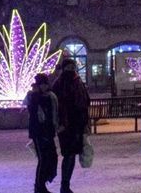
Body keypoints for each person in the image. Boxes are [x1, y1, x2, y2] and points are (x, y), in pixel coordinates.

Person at [50, 58, 89, 193]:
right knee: (69, 154)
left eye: (73, 67)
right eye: (69, 67)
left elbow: (84, 102)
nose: (71, 70)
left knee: (71, 155)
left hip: (76, 124)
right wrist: (61, 123)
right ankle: (64, 185)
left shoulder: (77, 82)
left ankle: (65, 185)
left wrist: (84, 123)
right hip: (67, 126)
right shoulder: (61, 83)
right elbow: (58, 106)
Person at [24, 73, 59, 193]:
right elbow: (33, 115)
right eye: (41, 84)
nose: (44, 86)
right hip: (39, 132)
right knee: (43, 158)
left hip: (48, 131)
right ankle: (39, 186)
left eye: (45, 84)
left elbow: (53, 114)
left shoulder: (50, 96)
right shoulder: (34, 97)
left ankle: (42, 184)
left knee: (51, 157)